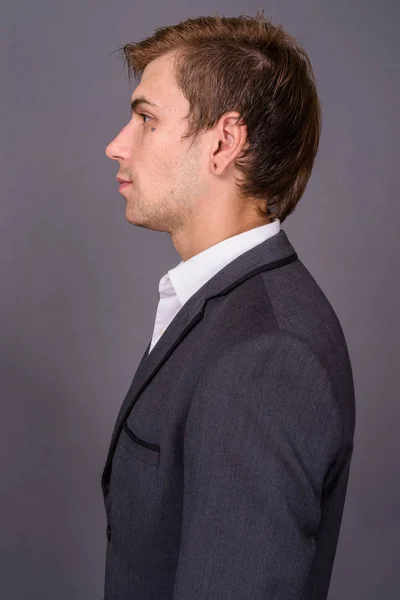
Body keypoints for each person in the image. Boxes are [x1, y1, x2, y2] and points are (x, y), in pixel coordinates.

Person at [102, 10, 355, 600]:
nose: (116, 145)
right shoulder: (230, 311)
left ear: (224, 141)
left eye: (146, 119)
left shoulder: (267, 356)